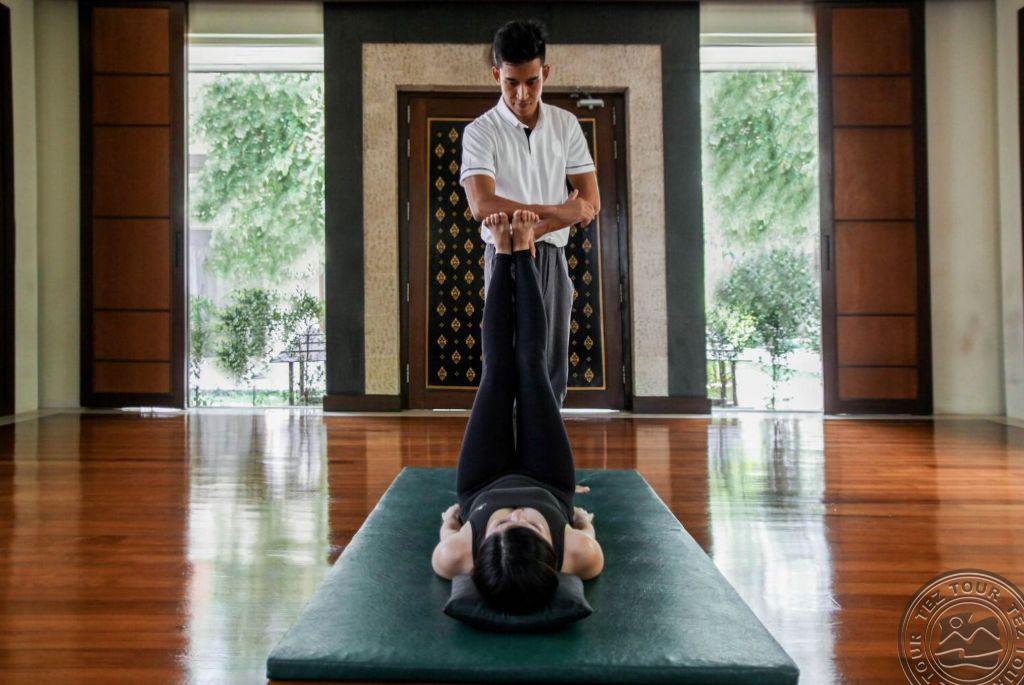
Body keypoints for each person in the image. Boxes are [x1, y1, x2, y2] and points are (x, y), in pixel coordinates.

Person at [431, 210, 604, 614]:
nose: (519, 515)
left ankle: (501, 249)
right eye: (533, 526)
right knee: (531, 365)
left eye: (503, 525)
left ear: (480, 550)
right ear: (554, 552)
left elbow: (447, 533)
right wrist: (582, 522)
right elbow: (587, 532)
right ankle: (523, 249)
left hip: (482, 480)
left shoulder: (455, 557)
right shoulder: (581, 555)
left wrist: (450, 523)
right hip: (549, 478)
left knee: (497, 369)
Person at [459, 18, 601, 406]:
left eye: (532, 81)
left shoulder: (566, 125)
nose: (522, 94)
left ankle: (545, 442)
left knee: (550, 368)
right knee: (504, 364)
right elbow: (482, 205)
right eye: (511, 82)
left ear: (545, 73)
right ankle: (504, 443)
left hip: (551, 256)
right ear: (496, 75)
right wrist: (559, 210)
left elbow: (590, 203)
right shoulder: (480, 131)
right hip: (504, 256)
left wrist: (529, 229)